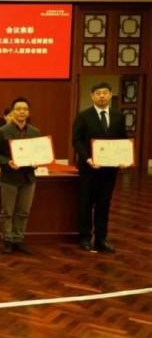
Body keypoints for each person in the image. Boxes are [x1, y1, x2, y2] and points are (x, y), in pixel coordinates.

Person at [72, 82, 128, 253]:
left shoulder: (118, 116)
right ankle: (85, 238)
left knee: (104, 204)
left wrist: (123, 158)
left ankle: (101, 239)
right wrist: (87, 158)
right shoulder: (84, 115)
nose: (102, 96)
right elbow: (77, 140)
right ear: (92, 96)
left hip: (109, 170)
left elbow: (122, 141)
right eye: (98, 93)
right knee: (86, 203)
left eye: (105, 93)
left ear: (111, 95)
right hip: (89, 167)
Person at [0, 97, 40, 254]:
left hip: (28, 178)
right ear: (12, 112)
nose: (21, 112)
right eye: (18, 109)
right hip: (9, 177)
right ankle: (8, 240)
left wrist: (37, 161)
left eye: (25, 109)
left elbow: (39, 152)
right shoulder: (3, 131)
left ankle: (19, 239)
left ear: (29, 112)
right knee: (7, 212)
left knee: (23, 211)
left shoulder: (34, 131)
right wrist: (7, 162)